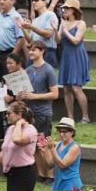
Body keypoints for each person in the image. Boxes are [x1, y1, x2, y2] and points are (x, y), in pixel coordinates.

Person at [19, 41, 59, 183]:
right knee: (34, 145)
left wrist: (34, 96)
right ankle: (41, 174)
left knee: (43, 144)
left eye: (34, 50)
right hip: (30, 113)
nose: (31, 52)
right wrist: (21, 96)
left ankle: (51, 174)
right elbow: (24, 92)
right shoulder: (28, 70)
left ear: (42, 51)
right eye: (30, 50)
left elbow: (55, 93)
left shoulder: (48, 70)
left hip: (43, 113)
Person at [0, 101, 38, 191]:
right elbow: (5, 151)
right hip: (12, 173)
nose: (6, 116)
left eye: (9, 114)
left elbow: (17, 140)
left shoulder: (31, 130)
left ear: (19, 115)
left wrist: (18, 124)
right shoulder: (10, 129)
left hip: (25, 172)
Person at [58, 0, 91, 123]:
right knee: (66, 88)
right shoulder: (63, 23)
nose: (64, 10)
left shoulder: (80, 23)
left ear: (73, 10)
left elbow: (76, 41)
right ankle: (70, 116)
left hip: (76, 55)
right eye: (64, 8)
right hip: (66, 55)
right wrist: (57, 29)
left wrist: (65, 30)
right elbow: (57, 41)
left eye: (67, 8)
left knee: (77, 88)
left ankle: (85, 116)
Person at [0, 0, 24, 80]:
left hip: (9, 53)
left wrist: (12, 56)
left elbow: (21, 38)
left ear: (13, 1)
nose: (1, 2)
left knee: (10, 83)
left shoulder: (16, 17)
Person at [20, 0, 58, 67]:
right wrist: (22, 28)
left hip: (47, 51)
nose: (33, 2)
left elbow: (49, 34)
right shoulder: (35, 20)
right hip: (34, 51)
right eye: (33, 0)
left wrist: (31, 27)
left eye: (37, 0)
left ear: (45, 2)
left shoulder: (50, 15)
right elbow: (30, 40)